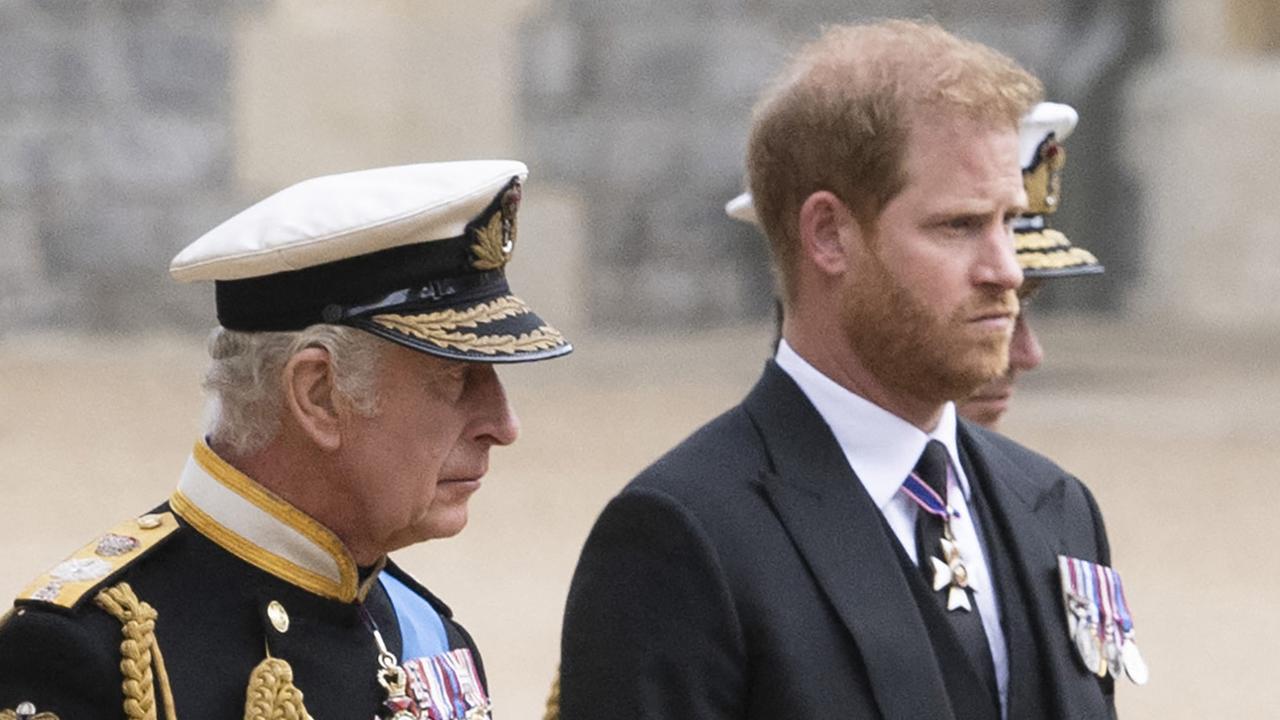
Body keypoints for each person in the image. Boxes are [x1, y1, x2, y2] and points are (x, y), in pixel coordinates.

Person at [559, 20, 1139, 720]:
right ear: (829, 235)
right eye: (957, 226)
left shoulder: (1054, 506)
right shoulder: (684, 538)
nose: (1005, 270)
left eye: (1009, 223)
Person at [0, 160, 571, 719]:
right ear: (319, 395)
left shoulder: (426, 633)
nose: (503, 424)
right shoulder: (93, 653)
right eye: (454, 379)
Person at [727, 101, 1105, 429]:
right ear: (830, 240)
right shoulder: (702, 507)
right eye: (960, 226)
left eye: (1020, 305)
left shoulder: (1036, 499)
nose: (1027, 354)